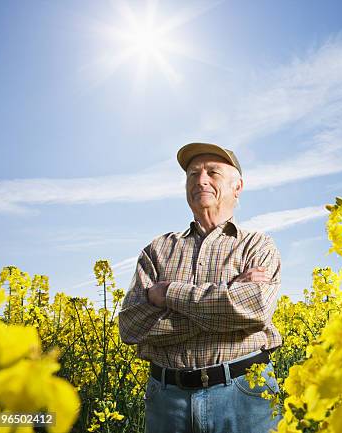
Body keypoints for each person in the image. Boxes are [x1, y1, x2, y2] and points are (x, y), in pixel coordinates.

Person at [119, 142, 282, 433]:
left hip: (245, 392)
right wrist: (227, 298)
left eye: (212, 172)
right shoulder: (157, 250)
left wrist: (168, 293)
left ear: (237, 186)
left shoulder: (258, 245)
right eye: (193, 174)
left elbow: (255, 308)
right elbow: (131, 325)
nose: (200, 180)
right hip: (168, 398)